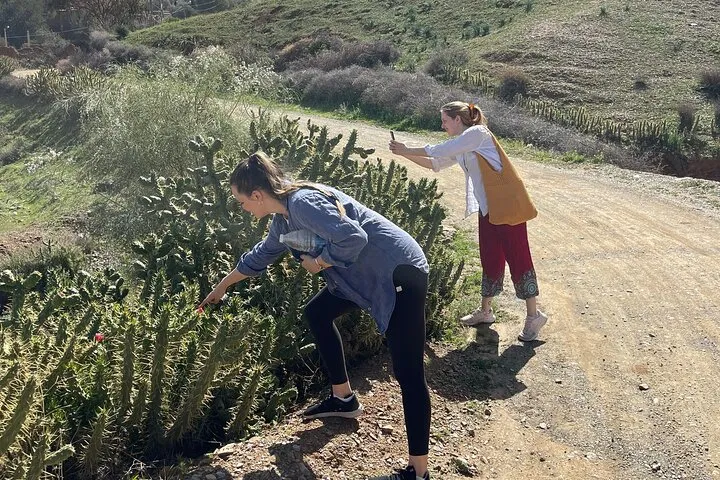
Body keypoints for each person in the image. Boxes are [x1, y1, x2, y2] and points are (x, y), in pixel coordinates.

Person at [199, 151, 433, 480]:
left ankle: (418, 473)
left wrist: (320, 262)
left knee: (408, 373)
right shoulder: (283, 220)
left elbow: (355, 237)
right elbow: (260, 256)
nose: (243, 208)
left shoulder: (302, 203)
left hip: (398, 272)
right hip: (362, 276)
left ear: (257, 195)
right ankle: (343, 398)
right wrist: (223, 286)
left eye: (242, 202)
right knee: (318, 313)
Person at [389, 101, 548, 342]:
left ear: (457, 119)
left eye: (445, 120)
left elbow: (439, 150)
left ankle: (534, 316)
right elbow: (435, 163)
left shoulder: (477, 133)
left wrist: (407, 148)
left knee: (518, 257)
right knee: (490, 257)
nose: (442, 125)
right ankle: (486, 311)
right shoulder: (463, 144)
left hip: (507, 207)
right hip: (489, 209)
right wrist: (404, 153)